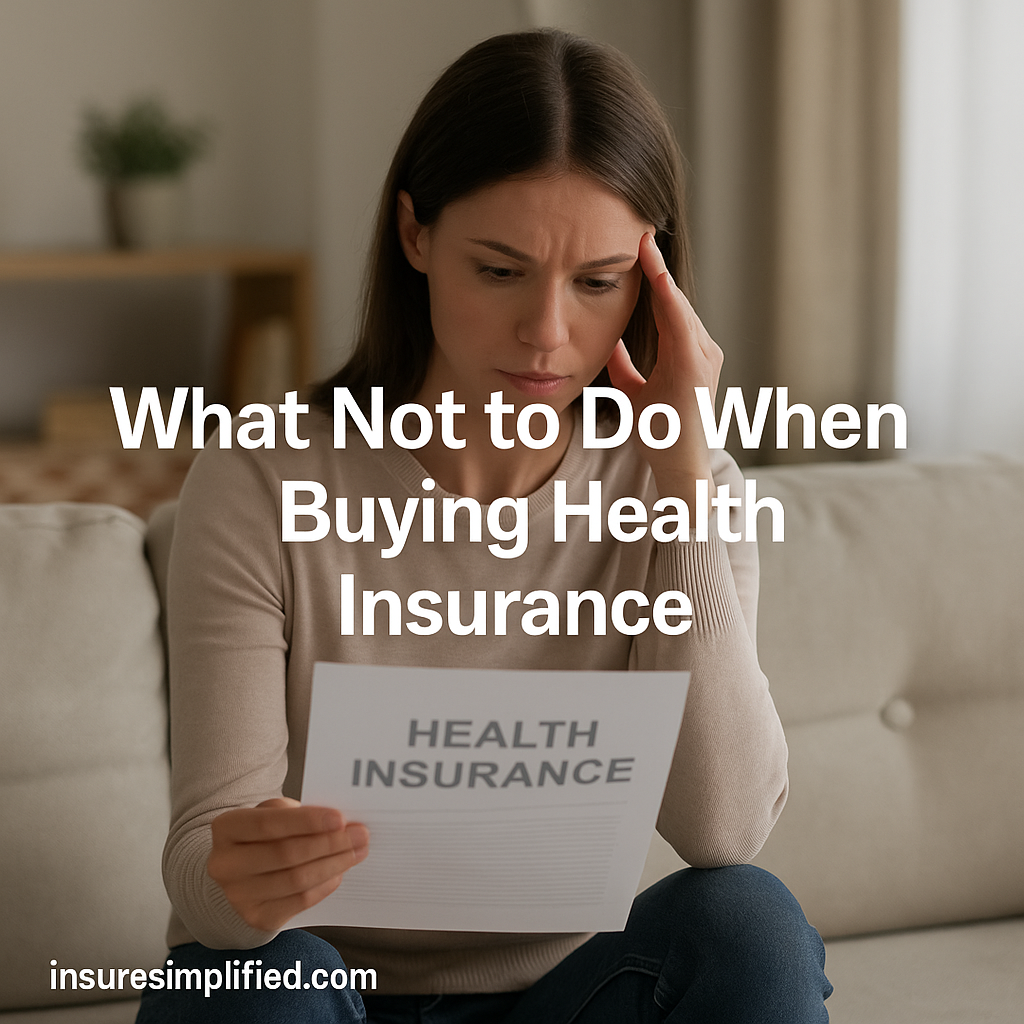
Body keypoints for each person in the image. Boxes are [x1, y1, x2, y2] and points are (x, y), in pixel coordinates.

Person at [137, 28, 832, 1024]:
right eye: (501, 271)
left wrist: (681, 478)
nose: (547, 334)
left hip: (563, 999)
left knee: (745, 921)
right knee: (253, 989)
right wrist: (240, 878)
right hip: (319, 995)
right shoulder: (260, 476)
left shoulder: (683, 480)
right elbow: (202, 866)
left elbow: (722, 829)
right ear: (415, 234)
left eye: (597, 281)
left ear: (653, 282)